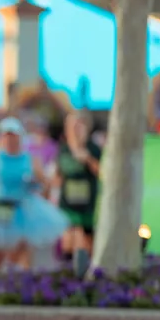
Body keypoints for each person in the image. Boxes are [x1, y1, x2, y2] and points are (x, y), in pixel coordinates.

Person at [0, 117, 69, 273]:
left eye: (13, 135)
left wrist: (35, 182)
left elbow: (45, 182)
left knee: (21, 252)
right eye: (6, 136)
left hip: (23, 210)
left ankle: (21, 287)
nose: (10, 140)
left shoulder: (30, 159)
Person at [57, 112, 102, 273]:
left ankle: (87, 275)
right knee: (69, 243)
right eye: (72, 126)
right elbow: (58, 176)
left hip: (88, 205)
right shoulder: (63, 149)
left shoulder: (93, 148)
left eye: (79, 125)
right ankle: (69, 276)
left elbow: (103, 173)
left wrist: (87, 159)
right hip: (67, 204)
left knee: (87, 244)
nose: (75, 130)